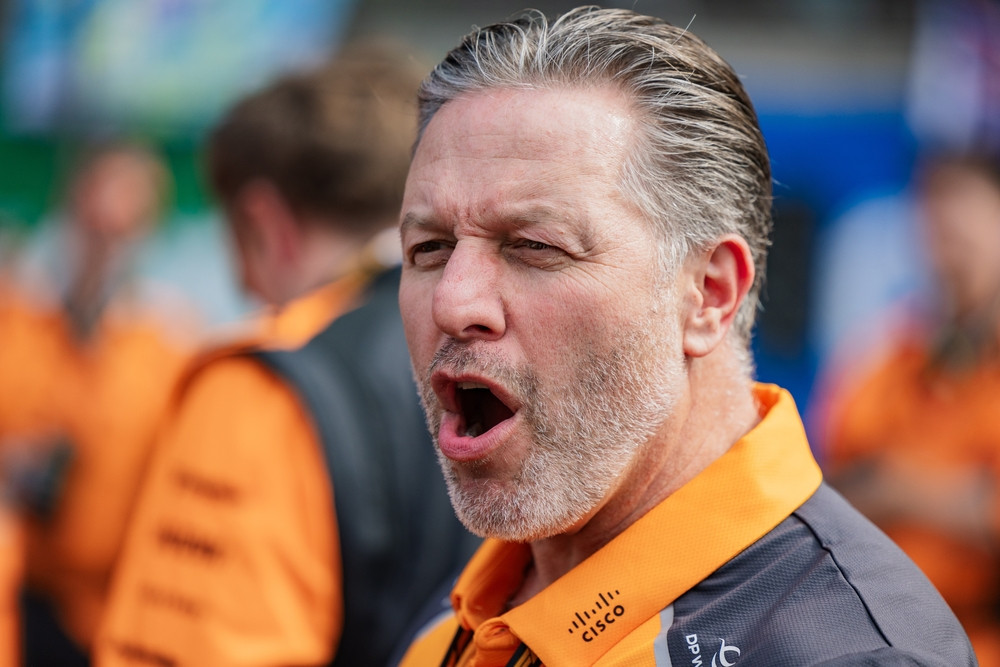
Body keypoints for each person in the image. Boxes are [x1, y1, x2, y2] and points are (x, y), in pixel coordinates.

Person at [395, 7, 976, 666]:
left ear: (709, 294)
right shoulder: (454, 619)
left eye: (534, 245)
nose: (453, 302)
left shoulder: (848, 653)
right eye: (429, 248)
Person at [94, 40, 478, 667]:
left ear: (265, 222)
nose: (247, 288)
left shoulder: (265, 385)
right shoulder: (486, 346)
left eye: (236, 249)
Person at [0, 142, 193, 664]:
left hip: (110, 610)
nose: (106, 246)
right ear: (68, 210)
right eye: (95, 225)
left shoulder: (169, 339)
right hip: (15, 588)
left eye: (124, 230)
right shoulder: (15, 313)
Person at [817, 152, 1000, 666]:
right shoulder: (888, 357)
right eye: (938, 232)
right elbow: (827, 487)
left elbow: (872, 484)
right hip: (881, 634)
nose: (947, 253)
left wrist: (901, 487)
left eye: (965, 234)